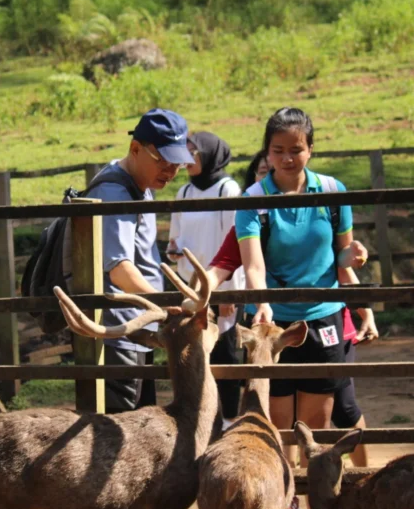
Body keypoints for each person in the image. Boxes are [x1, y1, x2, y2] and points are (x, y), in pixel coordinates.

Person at [236, 108, 366, 482]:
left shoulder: (332, 191)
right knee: (275, 425)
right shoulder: (252, 199)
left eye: (296, 149)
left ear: (310, 148)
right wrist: (262, 303)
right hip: (273, 323)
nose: (287, 158)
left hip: (323, 315)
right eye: (278, 150)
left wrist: (353, 254)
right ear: (267, 151)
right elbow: (254, 265)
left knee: (316, 425)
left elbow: (340, 257)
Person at [91, 108, 193, 414]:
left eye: (177, 163)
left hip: (138, 326)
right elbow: (118, 268)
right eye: (163, 160)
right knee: (122, 429)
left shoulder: (140, 186)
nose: (171, 171)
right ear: (136, 149)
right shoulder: (114, 192)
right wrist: (161, 304)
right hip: (120, 332)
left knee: (139, 421)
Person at [168, 132, 244, 427]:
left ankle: (228, 421)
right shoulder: (184, 193)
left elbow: (233, 243)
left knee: (226, 356)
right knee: (195, 354)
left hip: (221, 288)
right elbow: (177, 234)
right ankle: (200, 421)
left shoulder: (228, 190)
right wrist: (174, 251)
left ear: (210, 155)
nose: (187, 160)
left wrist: (227, 294)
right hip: (191, 290)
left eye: (193, 153)